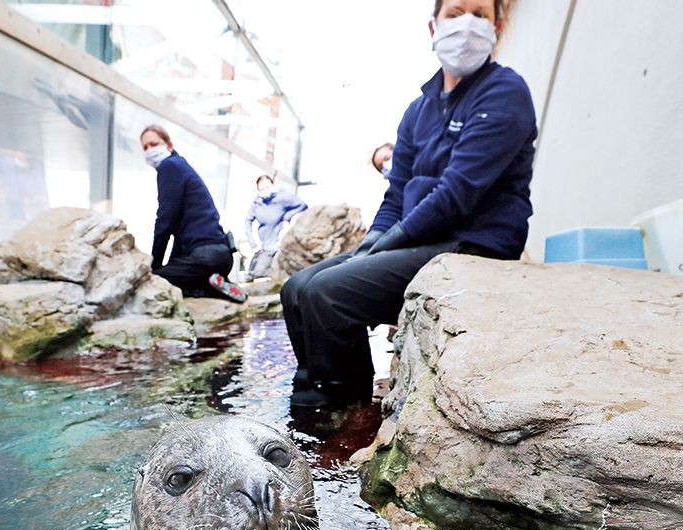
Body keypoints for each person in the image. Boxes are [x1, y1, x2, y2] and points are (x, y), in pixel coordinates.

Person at [281, 0, 536, 408]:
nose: (466, 24)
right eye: (454, 13)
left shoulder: (504, 91)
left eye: (479, 14)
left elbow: (457, 194)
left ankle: (347, 405)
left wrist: (392, 240)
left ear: (498, 26)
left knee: (327, 293)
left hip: (471, 242)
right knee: (296, 288)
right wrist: (375, 238)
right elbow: (396, 193)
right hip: (419, 241)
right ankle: (314, 385)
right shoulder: (419, 110)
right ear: (433, 27)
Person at [141, 124, 247, 303]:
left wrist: (155, 267)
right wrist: (171, 265)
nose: (149, 150)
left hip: (204, 257)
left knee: (156, 283)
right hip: (221, 257)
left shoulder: (169, 166)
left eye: (154, 143)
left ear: (169, 145)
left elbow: (164, 222)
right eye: (145, 147)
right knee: (174, 276)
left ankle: (206, 288)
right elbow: (177, 231)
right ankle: (215, 284)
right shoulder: (182, 166)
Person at [241, 175, 308, 281]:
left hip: (278, 244)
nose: (265, 191)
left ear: (273, 185)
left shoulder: (282, 196)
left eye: (267, 187)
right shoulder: (257, 202)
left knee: (271, 271)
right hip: (263, 245)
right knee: (253, 273)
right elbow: (248, 220)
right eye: (262, 189)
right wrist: (252, 241)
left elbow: (303, 204)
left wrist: (287, 217)